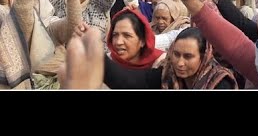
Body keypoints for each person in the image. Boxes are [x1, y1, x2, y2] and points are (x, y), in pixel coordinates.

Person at [61, 25, 238, 89]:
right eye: (176, 54)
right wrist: (96, 52)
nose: (180, 63)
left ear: (203, 57)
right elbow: (128, 81)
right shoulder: (168, 75)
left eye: (188, 56)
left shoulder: (220, 83)